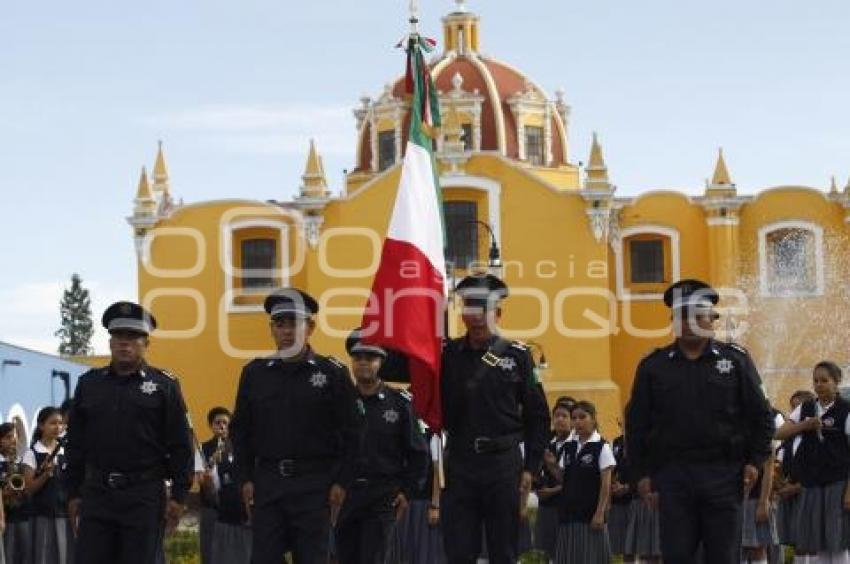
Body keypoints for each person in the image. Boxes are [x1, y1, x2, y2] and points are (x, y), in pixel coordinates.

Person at [626, 279, 774, 564]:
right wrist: (641, 475)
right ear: (674, 322)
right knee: (677, 555)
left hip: (724, 474)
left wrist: (754, 462)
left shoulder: (736, 361)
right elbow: (637, 425)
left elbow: (761, 417)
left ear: (712, 320)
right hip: (673, 476)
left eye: (698, 315)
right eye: (683, 316)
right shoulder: (653, 367)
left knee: (723, 555)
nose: (690, 322)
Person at [229, 288, 364, 564]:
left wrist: (341, 481)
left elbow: (354, 432)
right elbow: (241, 430)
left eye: (295, 323)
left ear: (310, 327)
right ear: (272, 329)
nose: (287, 331)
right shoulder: (254, 373)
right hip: (268, 484)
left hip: (315, 486)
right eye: (280, 324)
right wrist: (244, 478)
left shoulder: (332, 373)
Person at [64, 301, 194, 564]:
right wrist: (73, 493)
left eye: (133, 337)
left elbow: (181, 445)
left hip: (143, 496)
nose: (125, 343)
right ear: (110, 342)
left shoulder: (163, 386)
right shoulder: (89, 384)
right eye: (119, 336)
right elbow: (75, 444)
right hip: (97, 494)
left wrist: (179, 496)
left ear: (146, 343)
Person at [440, 273, 550, 564]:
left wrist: (531, 468)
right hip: (461, 464)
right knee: (459, 551)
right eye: (470, 310)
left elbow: (538, 416)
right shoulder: (447, 355)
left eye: (483, 311)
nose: (476, 318)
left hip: (503, 466)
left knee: (504, 551)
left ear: (497, 314)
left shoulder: (519, 356)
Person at [334, 329, 429, 563]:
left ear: (382, 362)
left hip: (382, 497)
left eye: (370, 358)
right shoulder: (338, 404)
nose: (364, 363)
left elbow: (419, 454)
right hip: (345, 496)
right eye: (358, 358)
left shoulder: (399, 404)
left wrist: (407, 492)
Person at [776, 361, 850, 561]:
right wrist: (804, 425)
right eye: (815, 381)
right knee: (821, 543)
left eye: (824, 381)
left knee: (839, 541)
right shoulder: (806, 408)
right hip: (813, 484)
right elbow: (779, 433)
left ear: (836, 382)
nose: (818, 385)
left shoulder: (846, 410)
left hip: (838, 483)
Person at [552, 400, 615, 563]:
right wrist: (552, 465)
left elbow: (606, 484)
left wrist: (600, 513)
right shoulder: (569, 447)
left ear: (593, 419)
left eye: (582, 417)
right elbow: (563, 478)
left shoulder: (602, 447)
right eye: (574, 418)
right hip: (569, 515)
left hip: (590, 516)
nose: (577, 422)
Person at [22, 406, 72, 564]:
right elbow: (29, 489)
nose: (58, 427)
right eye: (52, 423)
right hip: (42, 516)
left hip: (64, 515)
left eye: (60, 423)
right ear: (41, 425)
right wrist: (45, 474)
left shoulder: (66, 451)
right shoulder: (32, 453)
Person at [533, 399, 574, 560]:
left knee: (567, 551)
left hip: (566, 507)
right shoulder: (546, 442)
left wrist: (553, 467)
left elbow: (577, 481)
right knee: (547, 552)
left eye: (564, 416)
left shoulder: (576, 444)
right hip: (546, 506)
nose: (560, 420)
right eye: (556, 416)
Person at [775, 390, 815, 554]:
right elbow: (780, 463)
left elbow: (820, 469)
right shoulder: (789, 440)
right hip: (790, 494)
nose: (794, 413)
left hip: (810, 493)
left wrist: (798, 487)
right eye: (792, 408)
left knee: (811, 543)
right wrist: (781, 484)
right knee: (796, 543)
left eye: (798, 407)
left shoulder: (815, 439)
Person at [0, 421, 31, 564]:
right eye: (8, 437)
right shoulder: (1, 464)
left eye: (14, 436)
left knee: (25, 555)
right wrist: (5, 493)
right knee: (9, 554)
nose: (13, 440)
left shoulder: (19, 460)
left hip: (23, 514)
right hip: (7, 516)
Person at [609, 418, 635, 562]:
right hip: (618, 501)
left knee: (643, 547)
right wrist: (613, 484)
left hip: (637, 499)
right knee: (624, 546)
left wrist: (628, 487)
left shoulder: (644, 442)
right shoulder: (616, 443)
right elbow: (611, 467)